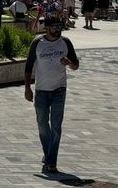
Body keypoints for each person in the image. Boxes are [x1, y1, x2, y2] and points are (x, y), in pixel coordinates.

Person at [23, 14, 79, 175]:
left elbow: (76, 65)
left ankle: (51, 162)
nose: (58, 30)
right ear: (46, 27)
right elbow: (28, 67)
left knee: (56, 127)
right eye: (54, 27)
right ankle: (48, 154)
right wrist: (27, 88)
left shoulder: (65, 43)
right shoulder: (37, 43)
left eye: (59, 26)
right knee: (42, 126)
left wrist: (69, 63)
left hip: (59, 90)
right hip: (41, 91)